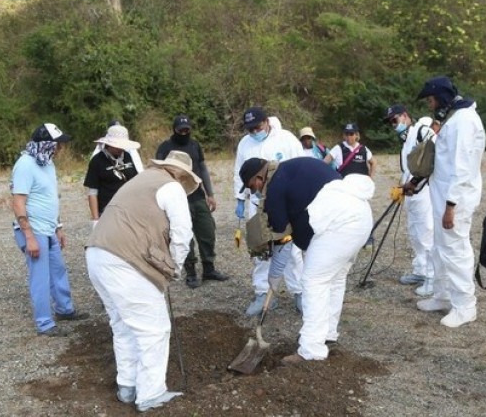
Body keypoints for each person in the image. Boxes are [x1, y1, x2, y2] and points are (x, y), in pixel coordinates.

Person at [85, 151, 199, 412]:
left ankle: (127, 386)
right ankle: (150, 394)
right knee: (154, 329)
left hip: (97, 254)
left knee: (123, 324)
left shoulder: (140, 180)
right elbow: (182, 233)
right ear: (181, 175)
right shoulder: (172, 186)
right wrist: (175, 269)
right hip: (125, 260)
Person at [238, 156, 374, 364]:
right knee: (334, 279)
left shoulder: (275, 186)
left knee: (313, 281)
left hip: (339, 225)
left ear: (259, 177)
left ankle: (311, 349)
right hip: (360, 219)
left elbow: (282, 237)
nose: (255, 191)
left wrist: (273, 277)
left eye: (252, 186)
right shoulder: (289, 171)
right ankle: (327, 334)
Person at [414, 77, 486, 328]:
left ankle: (465, 306)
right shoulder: (454, 119)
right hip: (442, 196)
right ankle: (443, 295)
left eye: (432, 100)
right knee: (440, 248)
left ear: (442, 98)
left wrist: (451, 206)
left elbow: (462, 167)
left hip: (455, 199)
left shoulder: (464, 121)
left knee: (455, 250)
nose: (431, 105)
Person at [11, 122, 88, 337]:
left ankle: (64, 310)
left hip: (49, 228)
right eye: (58, 144)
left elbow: (50, 198)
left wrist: (59, 227)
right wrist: (29, 237)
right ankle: (45, 323)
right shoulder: (25, 165)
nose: (60, 149)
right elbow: (18, 202)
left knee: (58, 269)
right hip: (33, 230)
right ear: (46, 144)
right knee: (40, 276)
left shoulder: (47, 163)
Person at [233, 106, 305, 315]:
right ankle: (263, 292)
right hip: (256, 203)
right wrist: (239, 199)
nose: (254, 132)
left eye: (257, 127)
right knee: (260, 249)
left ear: (267, 122)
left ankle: (298, 292)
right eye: (249, 129)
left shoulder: (287, 139)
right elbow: (239, 172)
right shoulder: (245, 143)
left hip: (285, 202)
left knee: (291, 249)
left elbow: (301, 166)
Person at [156, 114, 229, 289]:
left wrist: (210, 193)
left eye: (187, 129)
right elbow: (158, 173)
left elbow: (202, 168)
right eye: (181, 130)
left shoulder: (195, 145)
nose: (184, 132)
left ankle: (209, 268)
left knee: (207, 232)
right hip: (177, 199)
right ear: (174, 129)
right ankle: (190, 273)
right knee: (184, 235)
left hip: (197, 195)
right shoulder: (165, 147)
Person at [383, 104, 436, 294]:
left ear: (405, 116)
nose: (393, 125)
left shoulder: (423, 131)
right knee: (415, 234)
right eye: (391, 123)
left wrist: (414, 182)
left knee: (426, 234)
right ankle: (421, 270)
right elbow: (407, 169)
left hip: (424, 192)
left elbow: (432, 158)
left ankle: (432, 278)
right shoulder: (406, 140)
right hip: (411, 194)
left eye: (395, 120)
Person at [84, 123, 141, 225]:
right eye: (117, 146)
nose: (120, 149)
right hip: (108, 212)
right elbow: (92, 192)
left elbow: (135, 182)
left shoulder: (127, 156)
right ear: (109, 144)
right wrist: (95, 220)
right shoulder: (97, 161)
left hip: (129, 210)